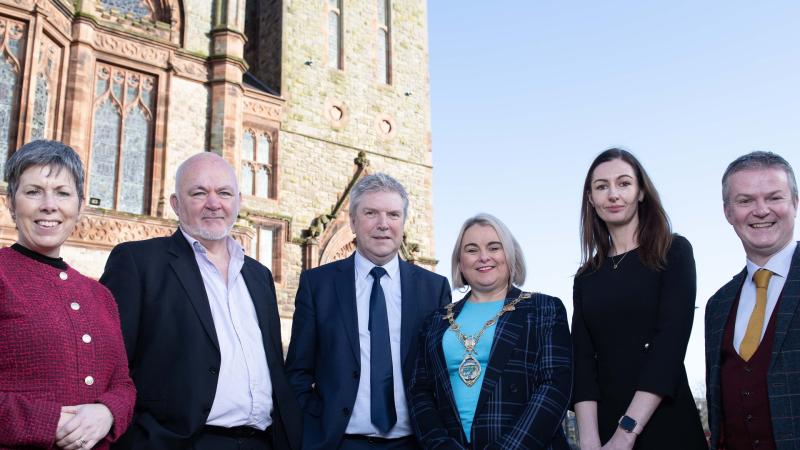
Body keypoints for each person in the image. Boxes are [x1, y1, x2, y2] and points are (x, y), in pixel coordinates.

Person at [99, 152, 301, 450]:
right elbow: (108, 363)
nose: (213, 203)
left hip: (262, 442)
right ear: (176, 204)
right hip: (181, 442)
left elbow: (273, 367)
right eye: (198, 193)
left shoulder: (259, 275)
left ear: (238, 201)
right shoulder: (138, 262)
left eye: (224, 192)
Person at [285, 173, 451, 449]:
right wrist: (311, 428)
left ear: (403, 222)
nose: (383, 224)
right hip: (340, 442)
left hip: (414, 443)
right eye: (371, 213)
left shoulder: (433, 289)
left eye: (393, 214)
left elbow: (442, 373)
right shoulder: (318, 285)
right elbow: (298, 372)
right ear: (352, 221)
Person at [0, 140, 135, 449]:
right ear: (11, 202)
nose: (49, 205)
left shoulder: (100, 295)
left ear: (80, 205)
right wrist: (47, 422)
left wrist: (108, 412)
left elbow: (123, 385)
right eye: (33, 191)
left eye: (62, 193)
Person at [571, 148, 707, 450]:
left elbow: (669, 346)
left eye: (624, 183)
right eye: (602, 186)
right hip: (603, 428)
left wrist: (626, 432)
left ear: (641, 192)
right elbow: (582, 362)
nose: (613, 194)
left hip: (665, 422)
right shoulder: (586, 276)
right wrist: (590, 440)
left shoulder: (673, 252)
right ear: (591, 199)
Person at [407, 213, 572, 449]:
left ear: (510, 254)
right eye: (472, 250)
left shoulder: (544, 309)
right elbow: (419, 392)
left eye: (494, 247)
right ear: (460, 261)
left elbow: (554, 387)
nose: (484, 257)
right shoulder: (436, 321)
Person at [705, 151, 800, 450]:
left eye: (774, 197)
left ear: (795, 203)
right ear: (728, 213)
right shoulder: (717, 305)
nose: (761, 211)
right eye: (745, 201)